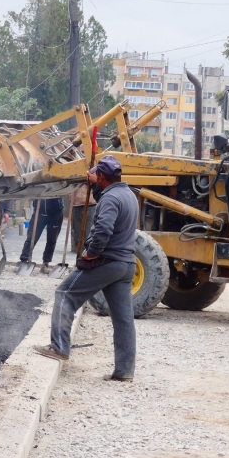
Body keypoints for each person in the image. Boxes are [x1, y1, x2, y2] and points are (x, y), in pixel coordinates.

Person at [33, 156, 139, 381]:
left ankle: (59, 347)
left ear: (101, 176)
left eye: (96, 177)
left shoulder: (110, 199)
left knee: (64, 294)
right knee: (123, 319)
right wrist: (95, 185)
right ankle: (125, 371)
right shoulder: (128, 195)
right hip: (126, 264)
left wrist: (91, 253)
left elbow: (103, 230)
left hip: (106, 261)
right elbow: (109, 203)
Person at [18, 197, 64, 274]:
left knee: (52, 239)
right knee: (31, 237)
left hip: (56, 213)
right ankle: (23, 260)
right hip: (39, 212)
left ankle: (45, 264)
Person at [70, 183, 97, 253]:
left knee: (89, 234)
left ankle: (88, 256)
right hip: (76, 205)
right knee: (77, 235)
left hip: (90, 205)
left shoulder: (92, 173)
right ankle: (79, 257)